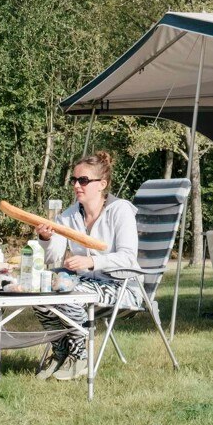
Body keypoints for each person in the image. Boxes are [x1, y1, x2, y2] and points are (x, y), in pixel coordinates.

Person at [32, 151, 138, 381]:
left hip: (121, 286)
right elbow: (53, 257)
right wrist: (46, 238)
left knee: (68, 293)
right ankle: (60, 350)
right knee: (39, 289)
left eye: (83, 180)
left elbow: (128, 258)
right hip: (82, 283)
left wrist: (92, 262)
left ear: (102, 184)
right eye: (74, 180)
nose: (76, 185)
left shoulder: (120, 210)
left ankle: (80, 355)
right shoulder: (69, 216)